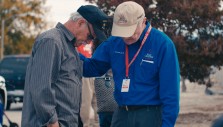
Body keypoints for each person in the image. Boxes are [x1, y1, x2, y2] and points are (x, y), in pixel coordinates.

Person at [81, 1, 180, 127]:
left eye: (130, 31)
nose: (126, 37)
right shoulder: (114, 42)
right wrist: (68, 52)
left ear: (143, 21)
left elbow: (171, 94)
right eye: (121, 31)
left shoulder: (163, 44)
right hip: (121, 114)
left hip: (150, 115)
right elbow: (91, 68)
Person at [21, 5, 108, 127]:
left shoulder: (70, 47)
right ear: (80, 23)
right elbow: (41, 88)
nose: (89, 42)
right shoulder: (52, 41)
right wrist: (52, 121)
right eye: (90, 36)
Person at [77, 43, 98, 127]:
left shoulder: (94, 38)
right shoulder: (78, 40)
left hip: (97, 71)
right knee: (86, 102)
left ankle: (97, 124)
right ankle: (85, 124)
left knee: (97, 102)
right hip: (85, 73)